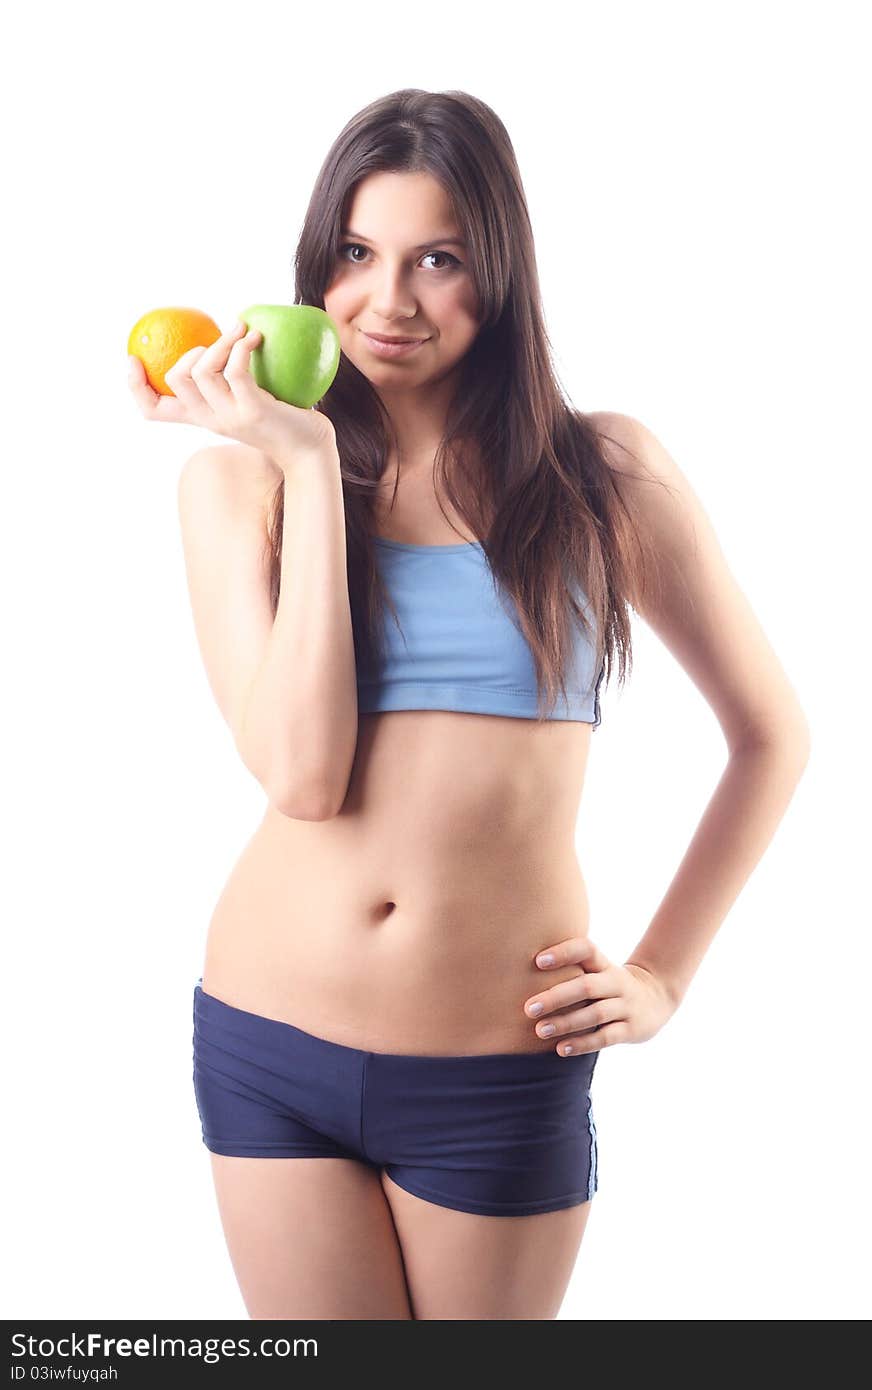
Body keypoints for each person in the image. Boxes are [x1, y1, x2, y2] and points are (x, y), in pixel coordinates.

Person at [128, 89, 810, 1321]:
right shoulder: (237, 491)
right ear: (315, 268)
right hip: (267, 1039)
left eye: (436, 260)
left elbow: (770, 735)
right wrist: (306, 466)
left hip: (494, 1066)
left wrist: (661, 975)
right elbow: (303, 777)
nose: (388, 302)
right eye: (356, 254)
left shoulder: (602, 476)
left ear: (498, 274)